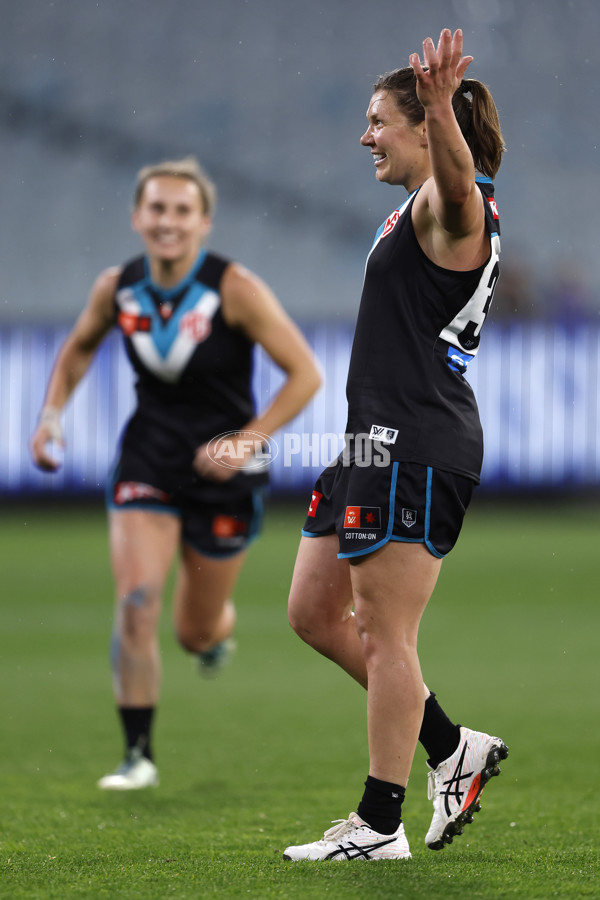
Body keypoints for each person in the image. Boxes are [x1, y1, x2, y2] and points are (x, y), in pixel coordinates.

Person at [284, 28, 508, 861]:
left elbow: (458, 192)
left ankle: (380, 823)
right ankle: (453, 747)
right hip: (369, 444)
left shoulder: (458, 202)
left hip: (415, 440)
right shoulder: (410, 208)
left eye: (378, 120)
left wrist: (443, 105)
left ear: (423, 127)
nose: (367, 136)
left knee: (384, 632)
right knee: (314, 612)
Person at [30, 156, 321, 790]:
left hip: (224, 476)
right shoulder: (117, 287)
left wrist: (246, 442)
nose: (168, 221)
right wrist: (52, 414)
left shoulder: (235, 288)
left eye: (182, 210)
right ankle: (137, 755)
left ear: (204, 222)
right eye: (156, 209)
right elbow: (79, 345)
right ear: (138, 217)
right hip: (148, 460)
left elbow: (306, 373)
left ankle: (217, 634)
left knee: (193, 632)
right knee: (136, 601)